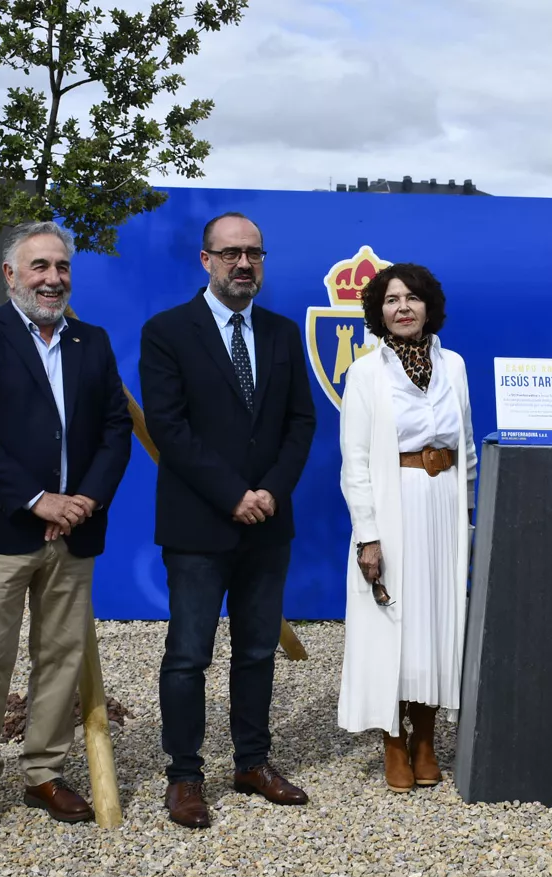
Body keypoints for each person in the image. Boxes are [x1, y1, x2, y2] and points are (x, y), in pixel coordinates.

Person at [0, 220, 133, 842]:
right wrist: (36, 500)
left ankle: (45, 771)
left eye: (62, 267)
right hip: (0, 531)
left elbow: (114, 430)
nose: (53, 279)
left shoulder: (92, 341)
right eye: (39, 267)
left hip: (75, 532)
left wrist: (84, 500)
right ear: (10, 275)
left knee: (60, 658)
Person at [139, 212, 317, 829]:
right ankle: (184, 775)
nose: (245, 264)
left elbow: (301, 424)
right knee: (188, 654)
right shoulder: (167, 332)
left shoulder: (281, 332)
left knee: (258, 650)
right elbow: (170, 428)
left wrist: (268, 490)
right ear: (206, 261)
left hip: (269, 520)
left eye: (255, 254)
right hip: (199, 524)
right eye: (232, 253)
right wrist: (232, 494)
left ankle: (251, 762)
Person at [336, 263, 477, 792]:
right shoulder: (366, 373)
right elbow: (354, 460)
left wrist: (467, 518)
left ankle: (426, 739)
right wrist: (367, 534)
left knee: (437, 623)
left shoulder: (455, 365)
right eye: (391, 299)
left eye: (412, 298)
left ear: (428, 306)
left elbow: (465, 445)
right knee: (395, 622)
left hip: (442, 507)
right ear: (378, 310)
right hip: (393, 506)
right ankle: (393, 742)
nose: (402, 308)